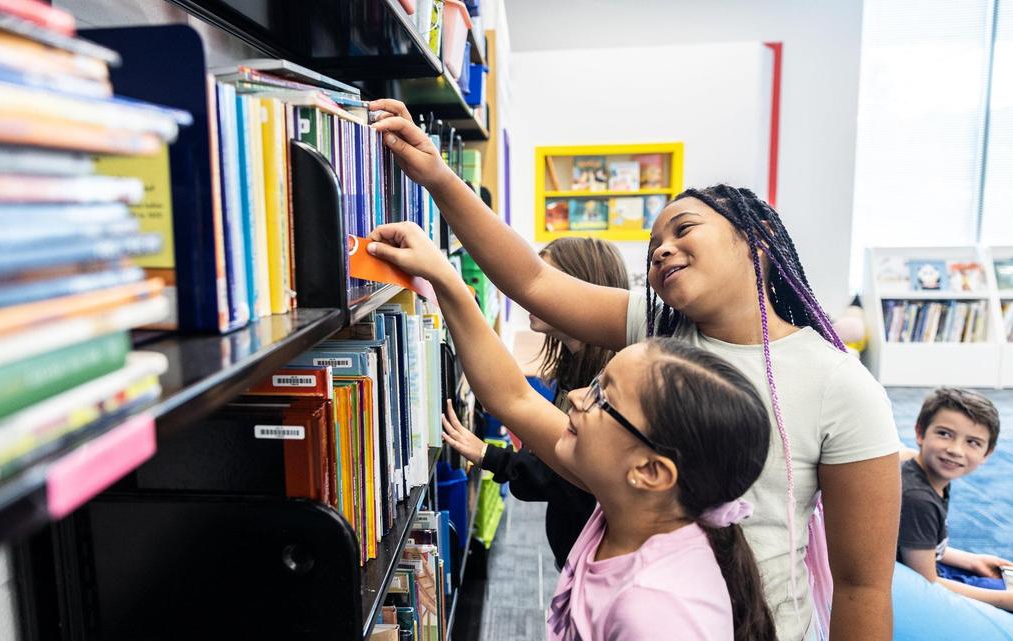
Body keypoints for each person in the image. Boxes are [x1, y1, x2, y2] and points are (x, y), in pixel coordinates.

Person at [367, 99, 902, 641]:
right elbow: (532, 283)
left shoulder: (841, 387)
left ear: (759, 239)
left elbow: (863, 586)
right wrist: (437, 177)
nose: (662, 251)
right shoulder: (660, 330)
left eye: (683, 229)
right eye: (652, 249)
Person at [375, 218, 777, 639]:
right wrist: (443, 276)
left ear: (650, 472)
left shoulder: (656, 611)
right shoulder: (627, 509)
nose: (580, 396)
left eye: (604, 398)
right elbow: (514, 397)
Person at [444, 236, 628, 570]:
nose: (529, 292)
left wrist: (492, 457)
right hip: (577, 554)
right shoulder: (575, 367)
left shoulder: (612, 382)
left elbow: (567, 471)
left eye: (546, 279)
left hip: (596, 562)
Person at [897, 387, 1013, 611]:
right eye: (944, 434)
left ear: (987, 453)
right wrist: (1005, 601)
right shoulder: (918, 499)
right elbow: (925, 584)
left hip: (927, 568)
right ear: (920, 433)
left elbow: (916, 542)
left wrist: (971, 560)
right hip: (916, 589)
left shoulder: (928, 476)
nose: (955, 450)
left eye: (972, 442)